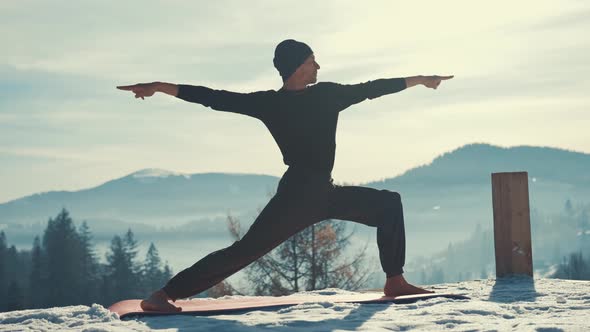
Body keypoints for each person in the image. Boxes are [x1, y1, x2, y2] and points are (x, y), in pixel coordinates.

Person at [117, 39, 453, 312]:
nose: (318, 67)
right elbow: (214, 98)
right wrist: (161, 86)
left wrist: (419, 80)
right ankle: (163, 295)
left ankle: (395, 280)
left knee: (388, 205)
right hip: (297, 196)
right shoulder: (273, 104)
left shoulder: (327, 94)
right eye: (312, 61)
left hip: (323, 191)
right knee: (244, 251)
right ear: (296, 67)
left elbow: (373, 88)